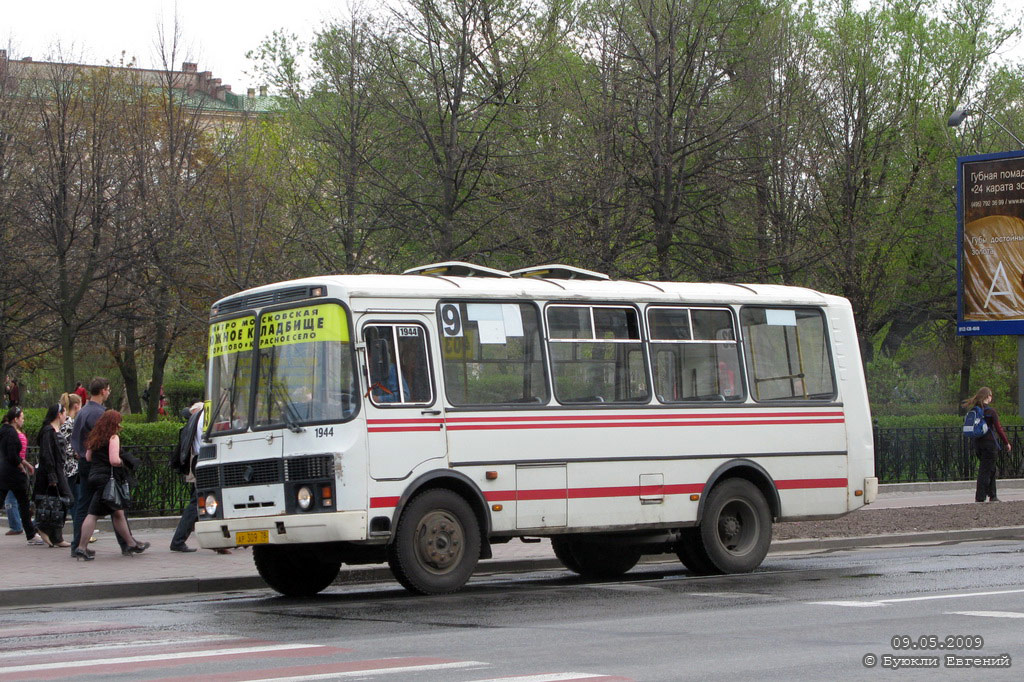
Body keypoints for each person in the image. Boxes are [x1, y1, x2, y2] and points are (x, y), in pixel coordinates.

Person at [74, 410, 149, 560]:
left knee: (116, 512)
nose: (120, 425)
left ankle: (131, 543)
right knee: (94, 514)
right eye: (118, 422)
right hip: (107, 479)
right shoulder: (113, 437)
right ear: (113, 424)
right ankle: (82, 547)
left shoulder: (94, 437)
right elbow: (114, 460)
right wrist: (123, 462)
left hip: (94, 476)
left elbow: (88, 457)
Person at [70, 377, 131, 556]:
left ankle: (78, 545)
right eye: (109, 390)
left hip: (84, 461)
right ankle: (127, 543)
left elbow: (78, 440)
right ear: (103, 390)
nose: (109, 393)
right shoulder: (100, 414)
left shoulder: (82, 411)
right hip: (99, 465)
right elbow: (104, 439)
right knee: (114, 502)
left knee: (85, 505)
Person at [0, 407, 48, 546]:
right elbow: (13, 454)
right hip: (13, 474)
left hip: (4, 471)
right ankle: (31, 534)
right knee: (24, 503)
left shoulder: (3, 430)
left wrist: (25, 464)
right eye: (22, 417)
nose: (23, 420)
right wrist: (21, 466)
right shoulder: (11, 434)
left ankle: (31, 533)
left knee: (11, 500)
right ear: (15, 419)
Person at [962, 387, 1011, 503]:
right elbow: (999, 429)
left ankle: (993, 495)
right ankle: (980, 497)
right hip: (989, 445)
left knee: (991, 469)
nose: (991, 398)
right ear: (987, 396)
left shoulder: (974, 410)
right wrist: (1006, 443)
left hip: (978, 444)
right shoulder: (990, 412)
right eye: (990, 396)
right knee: (985, 471)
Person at [33, 403, 72, 547]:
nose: (66, 416)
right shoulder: (48, 431)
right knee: (61, 500)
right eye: (64, 413)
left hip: (58, 470)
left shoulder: (55, 429)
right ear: (58, 414)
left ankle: (56, 536)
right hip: (51, 472)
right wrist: (52, 475)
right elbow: (47, 454)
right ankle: (43, 528)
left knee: (59, 502)